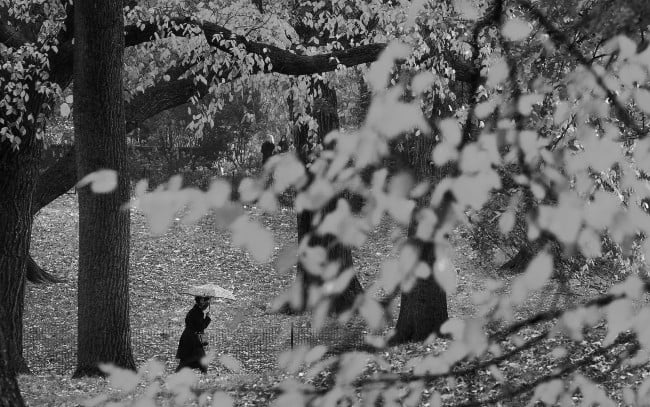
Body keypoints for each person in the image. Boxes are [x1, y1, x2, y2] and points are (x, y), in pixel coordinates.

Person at [175, 296, 211, 373]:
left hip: (188, 338)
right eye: (206, 301)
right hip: (193, 340)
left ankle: (176, 375)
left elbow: (198, 327)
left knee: (187, 360)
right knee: (198, 360)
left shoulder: (193, 311)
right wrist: (207, 318)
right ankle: (205, 377)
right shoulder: (197, 312)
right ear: (201, 301)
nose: (207, 304)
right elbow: (200, 327)